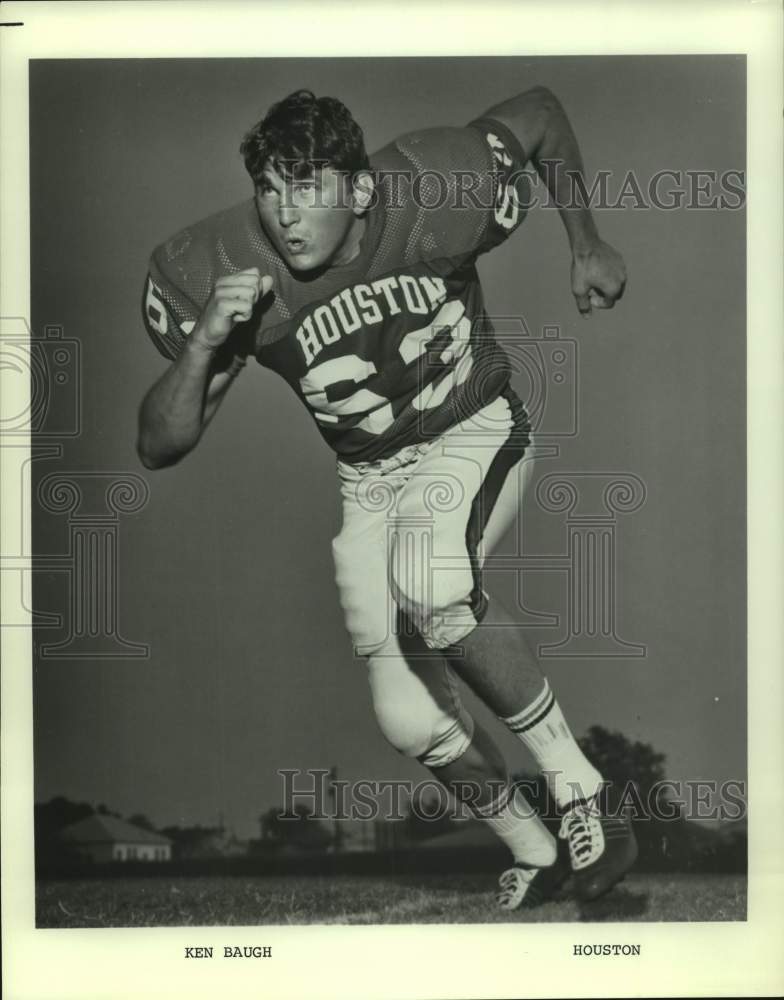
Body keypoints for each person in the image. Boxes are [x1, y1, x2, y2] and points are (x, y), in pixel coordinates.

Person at [137, 87, 636, 910]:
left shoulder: (434, 187)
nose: (283, 213)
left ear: (362, 190)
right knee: (409, 719)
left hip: (471, 425)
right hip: (371, 479)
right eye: (268, 187)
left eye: (307, 187)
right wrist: (200, 345)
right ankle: (535, 849)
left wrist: (586, 239)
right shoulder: (226, 270)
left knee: (433, 580)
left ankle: (582, 788)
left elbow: (542, 115)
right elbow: (157, 446)